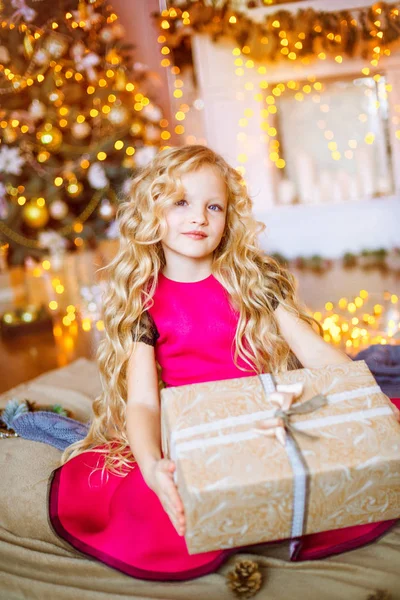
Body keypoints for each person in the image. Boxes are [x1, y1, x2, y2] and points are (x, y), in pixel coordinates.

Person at [48, 144, 400, 582]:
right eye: (181, 202)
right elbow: (143, 404)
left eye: (213, 206)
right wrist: (153, 466)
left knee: (358, 459)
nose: (198, 217)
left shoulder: (251, 281)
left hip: (265, 419)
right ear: (150, 212)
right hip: (195, 432)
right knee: (165, 507)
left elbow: (311, 351)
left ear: (227, 218)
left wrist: (363, 395)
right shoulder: (145, 304)